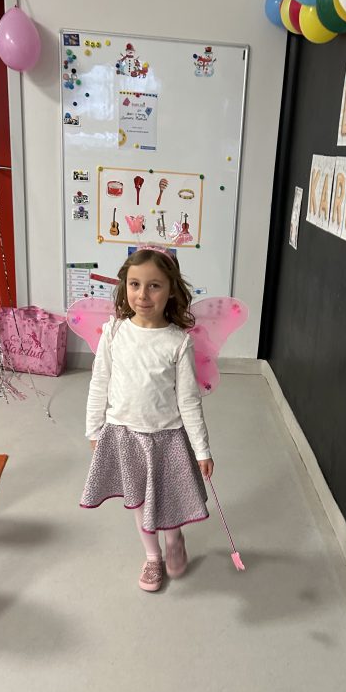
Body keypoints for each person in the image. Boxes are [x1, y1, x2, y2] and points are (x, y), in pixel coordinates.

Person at [81, 244, 214, 592]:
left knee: (166, 497)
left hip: (166, 437)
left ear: (171, 290)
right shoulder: (114, 332)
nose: (142, 294)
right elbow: (99, 383)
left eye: (154, 285)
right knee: (137, 499)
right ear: (124, 286)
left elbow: (188, 401)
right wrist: (94, 429)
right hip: (124, 434)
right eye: (135, 284)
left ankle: (174, 538)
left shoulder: (177, 342)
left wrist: (201, 449)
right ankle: (153, 557)